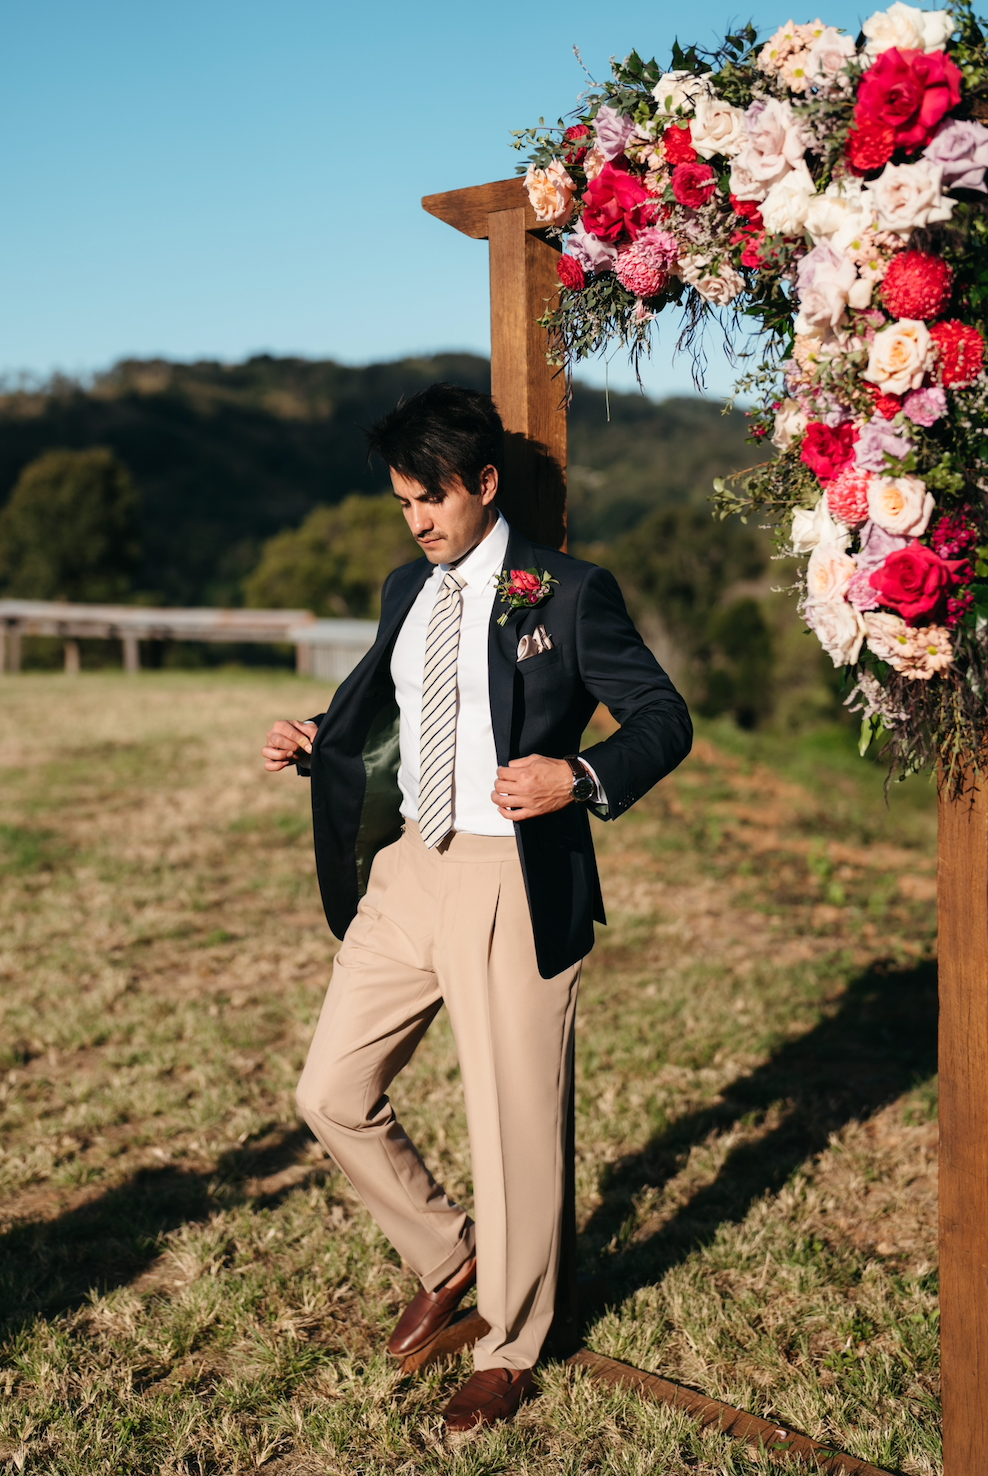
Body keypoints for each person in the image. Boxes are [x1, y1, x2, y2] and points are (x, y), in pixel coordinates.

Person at [262, 382, 692, 1431]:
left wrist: (577, 779)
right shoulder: (405, 591)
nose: (416, 519)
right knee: (330, 1090)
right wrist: (319, 734)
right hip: (409, 868)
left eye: (430, 498)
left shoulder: (568, 592)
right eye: (403, 501)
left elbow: (662, 718)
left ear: (484, 484)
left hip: (512, 876)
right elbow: (401, 709)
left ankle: (509, 1343)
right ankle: (449, 1254)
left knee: (513, 1128)